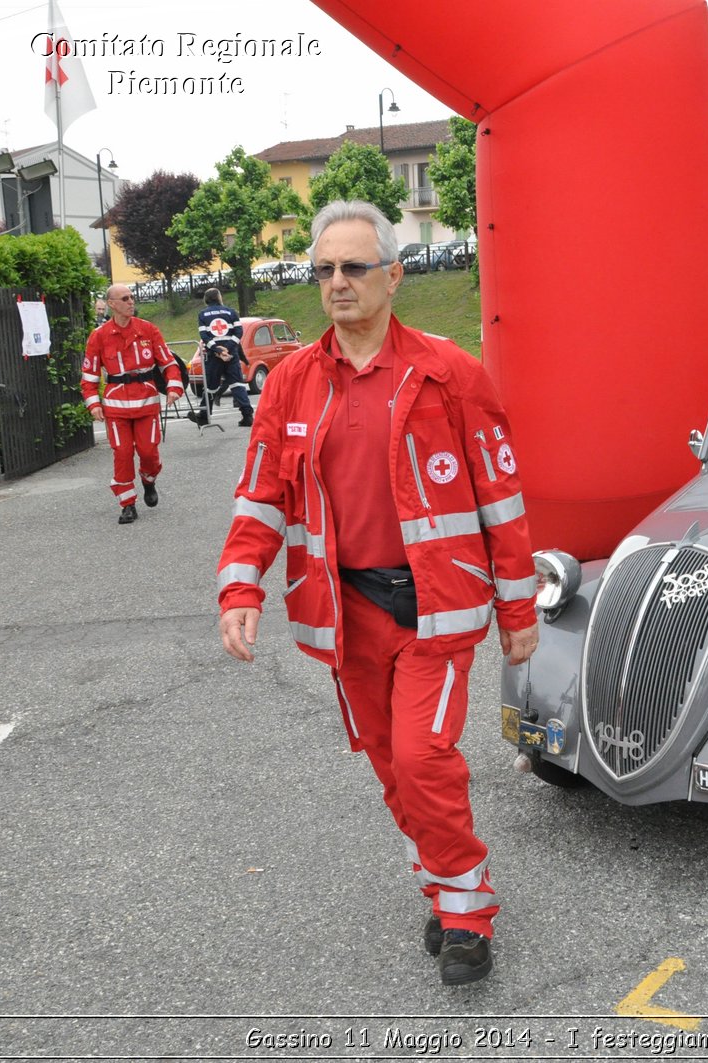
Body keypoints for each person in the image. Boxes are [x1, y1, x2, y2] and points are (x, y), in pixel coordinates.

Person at [215, 200, 539, 986]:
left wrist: (518, 607)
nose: (337, 283)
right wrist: (240, 583)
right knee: (390, 764)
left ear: (394, 276)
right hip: (345, 611)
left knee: (424, 757)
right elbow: (261, 496)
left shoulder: (450, 373)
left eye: (354, 267)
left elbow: (500, 494)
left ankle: (466, 909)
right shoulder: (291, 382)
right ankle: (442, 874)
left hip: (438, 605)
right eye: (324, 270)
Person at [81, 284, 184, 524]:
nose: (131, 302)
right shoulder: (99, 336)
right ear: (112, 304)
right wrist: (93, 403)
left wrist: (174, 387)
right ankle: (127, 504)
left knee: (148, 452)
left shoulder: (148, 330)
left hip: (146, 403)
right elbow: (89, 376)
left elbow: (168, 363)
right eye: (125, 298)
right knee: (123, 453)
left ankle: (149, 480)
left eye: (132, 297)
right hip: (116, 407)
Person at [195, 288, 253, 427]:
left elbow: (204, 336)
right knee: (237, 384)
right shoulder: (231, 312)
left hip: (214, 356)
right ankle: (247, 415)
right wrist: (227, 348)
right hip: (231, 354)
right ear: (219, 297)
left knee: (210, 387)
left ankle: (203, 415)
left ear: (206, 299)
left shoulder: (203, 314)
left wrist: (218, 350)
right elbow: (239, 332)